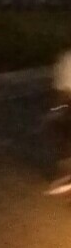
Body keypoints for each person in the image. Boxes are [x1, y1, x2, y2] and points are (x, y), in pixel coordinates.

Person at [47, 50, 71, 194]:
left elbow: (61, 90)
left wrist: (56, 110)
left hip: (67, 102)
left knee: (64, 138)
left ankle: (66, 175)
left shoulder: (66, 58)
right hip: (67, 102)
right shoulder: (66, 59)